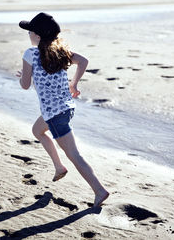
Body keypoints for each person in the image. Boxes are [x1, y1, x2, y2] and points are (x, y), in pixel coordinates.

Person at [16, 12, 109, 207]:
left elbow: (25, 85)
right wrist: (73, 84)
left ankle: (99, 190)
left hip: (54, 114)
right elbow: (83, 61)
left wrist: (22, 76)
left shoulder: (30, 53)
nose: (29, 35)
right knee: (37, 130)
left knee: (74, 154)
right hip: (65, 108)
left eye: (30, 32)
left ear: (38, 36)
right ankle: (59, 167)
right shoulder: (60, 51)